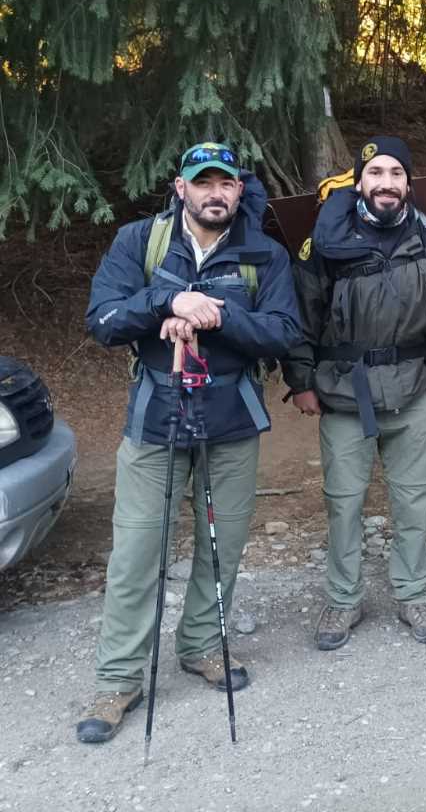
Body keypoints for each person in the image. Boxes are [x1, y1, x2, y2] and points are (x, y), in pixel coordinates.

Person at [77, 144, 301, 743]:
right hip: (156, 414)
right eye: (203, 183)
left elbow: (284, 332)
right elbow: (102, 320)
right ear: (181, 188)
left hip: (231, 415)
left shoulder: (265, 255)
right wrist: (166, 303)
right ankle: (119, 679)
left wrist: (216, 316)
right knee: (136, 554)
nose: (215, 194)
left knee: (222, 543)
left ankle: (202, 644)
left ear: (237, 189)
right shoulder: (140, 244)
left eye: (225, 184)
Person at [282, 136, 426, 650]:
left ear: (408, 183)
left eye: (396, 174)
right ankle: (343, 599)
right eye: (376, 173)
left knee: (414, 500)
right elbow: (302, 317)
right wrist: (302, 381)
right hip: (344, 393)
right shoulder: (325, 242)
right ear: (360, 181)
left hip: (412, 389)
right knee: (344, 502)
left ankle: (413, 593)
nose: (386, 183)